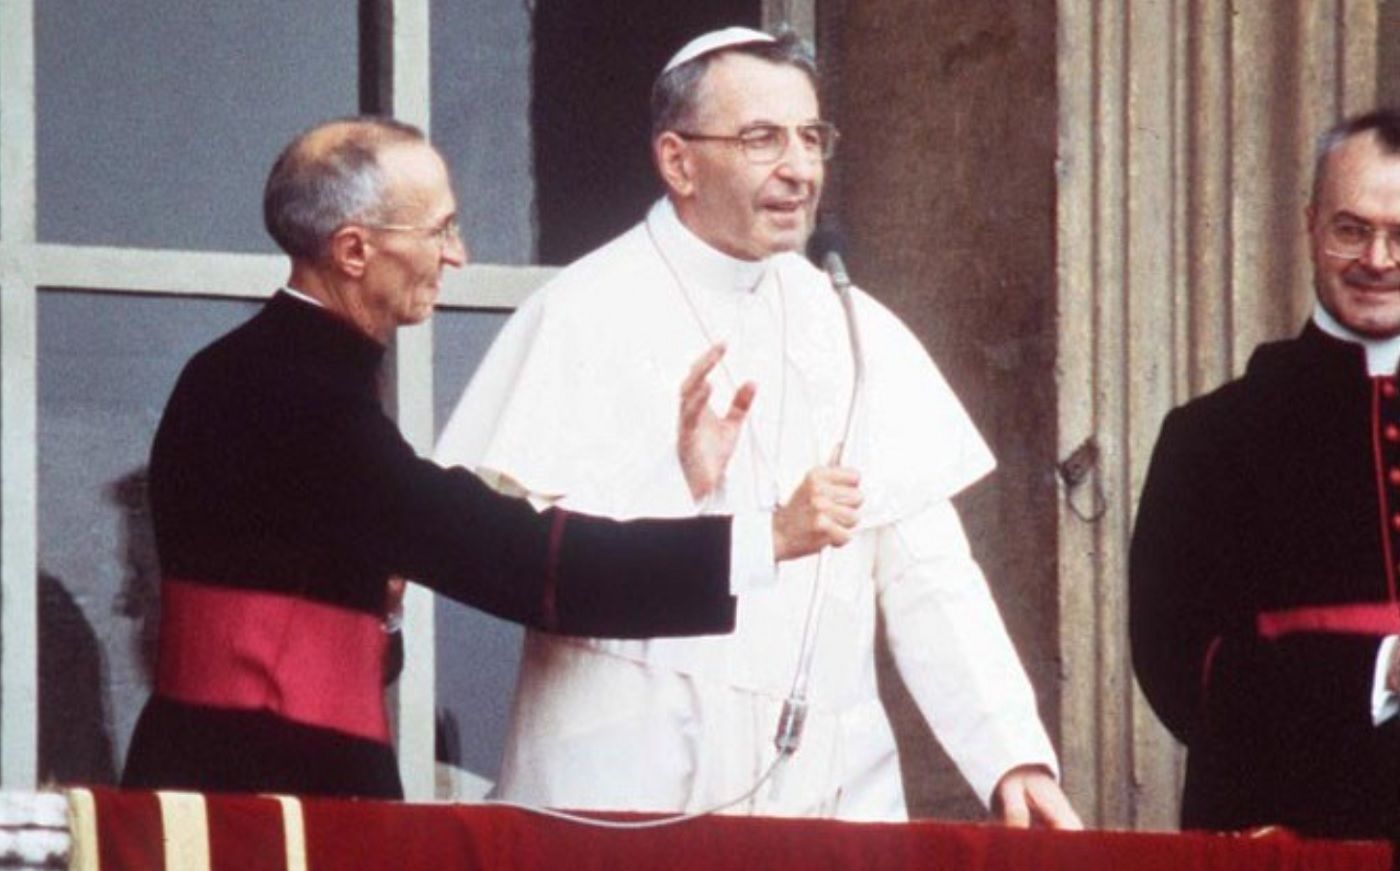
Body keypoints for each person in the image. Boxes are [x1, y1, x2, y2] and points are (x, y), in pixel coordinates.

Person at [436, 28, 1079, 825]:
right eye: (762, 139)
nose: (800, 169)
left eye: (812, 138)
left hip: (825, 785)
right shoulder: (582, 312)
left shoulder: (853, 327)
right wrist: (676, 481)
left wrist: (1009, 751)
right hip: (623, 770)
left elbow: (929, 572)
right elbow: (520, 560)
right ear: (678, 162)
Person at [120, 116, 857, 800]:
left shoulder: (250, 370)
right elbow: (525, 561)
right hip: (259, 798)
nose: (458, 254)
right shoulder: (296, 393)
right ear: (353, 251)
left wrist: (681, 484)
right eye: (439, 229)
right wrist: (767, 536)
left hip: (238, 777)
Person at [1130, 109, 1400, 839]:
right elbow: (1178, 669)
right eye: (1352, 229)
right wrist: (1380, 671)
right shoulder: (1210, 437)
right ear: (1311, 225)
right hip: (1283, 829)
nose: (1378, 258)